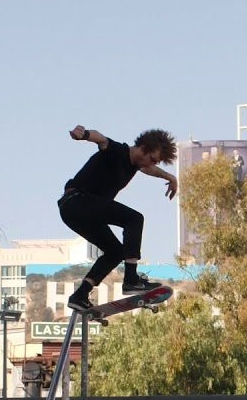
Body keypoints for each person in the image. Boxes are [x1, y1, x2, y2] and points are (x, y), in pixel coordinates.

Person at [58, 125, 178, 312]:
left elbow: (150, 170)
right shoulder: (118, 151)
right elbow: (102, 140)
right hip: (78, 201)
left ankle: (80, 294)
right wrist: (85, 135)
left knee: (115, 252)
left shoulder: (137, 165)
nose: (150, 164)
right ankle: (131, 279)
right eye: (151, 159)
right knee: (134, 219)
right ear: (144, 147)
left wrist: (170, 177)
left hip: (75, 213)